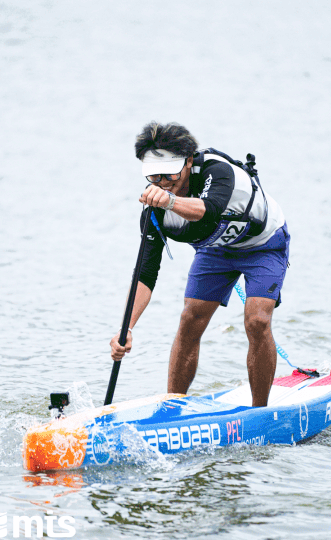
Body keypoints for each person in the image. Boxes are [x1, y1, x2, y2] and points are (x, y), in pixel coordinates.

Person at [109, 122, 289, 407]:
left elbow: (208, 212)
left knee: (257, 320)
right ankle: (173, 406)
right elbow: (145, 274)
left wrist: (168, 201)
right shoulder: (154, 211)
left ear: (189, 161)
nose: (163, 181)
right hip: (214, 252)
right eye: (154, 175)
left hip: (263, 245)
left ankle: (260, 411)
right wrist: (125, 329)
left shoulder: (217, 171)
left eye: (170, 173)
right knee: (190, 319)